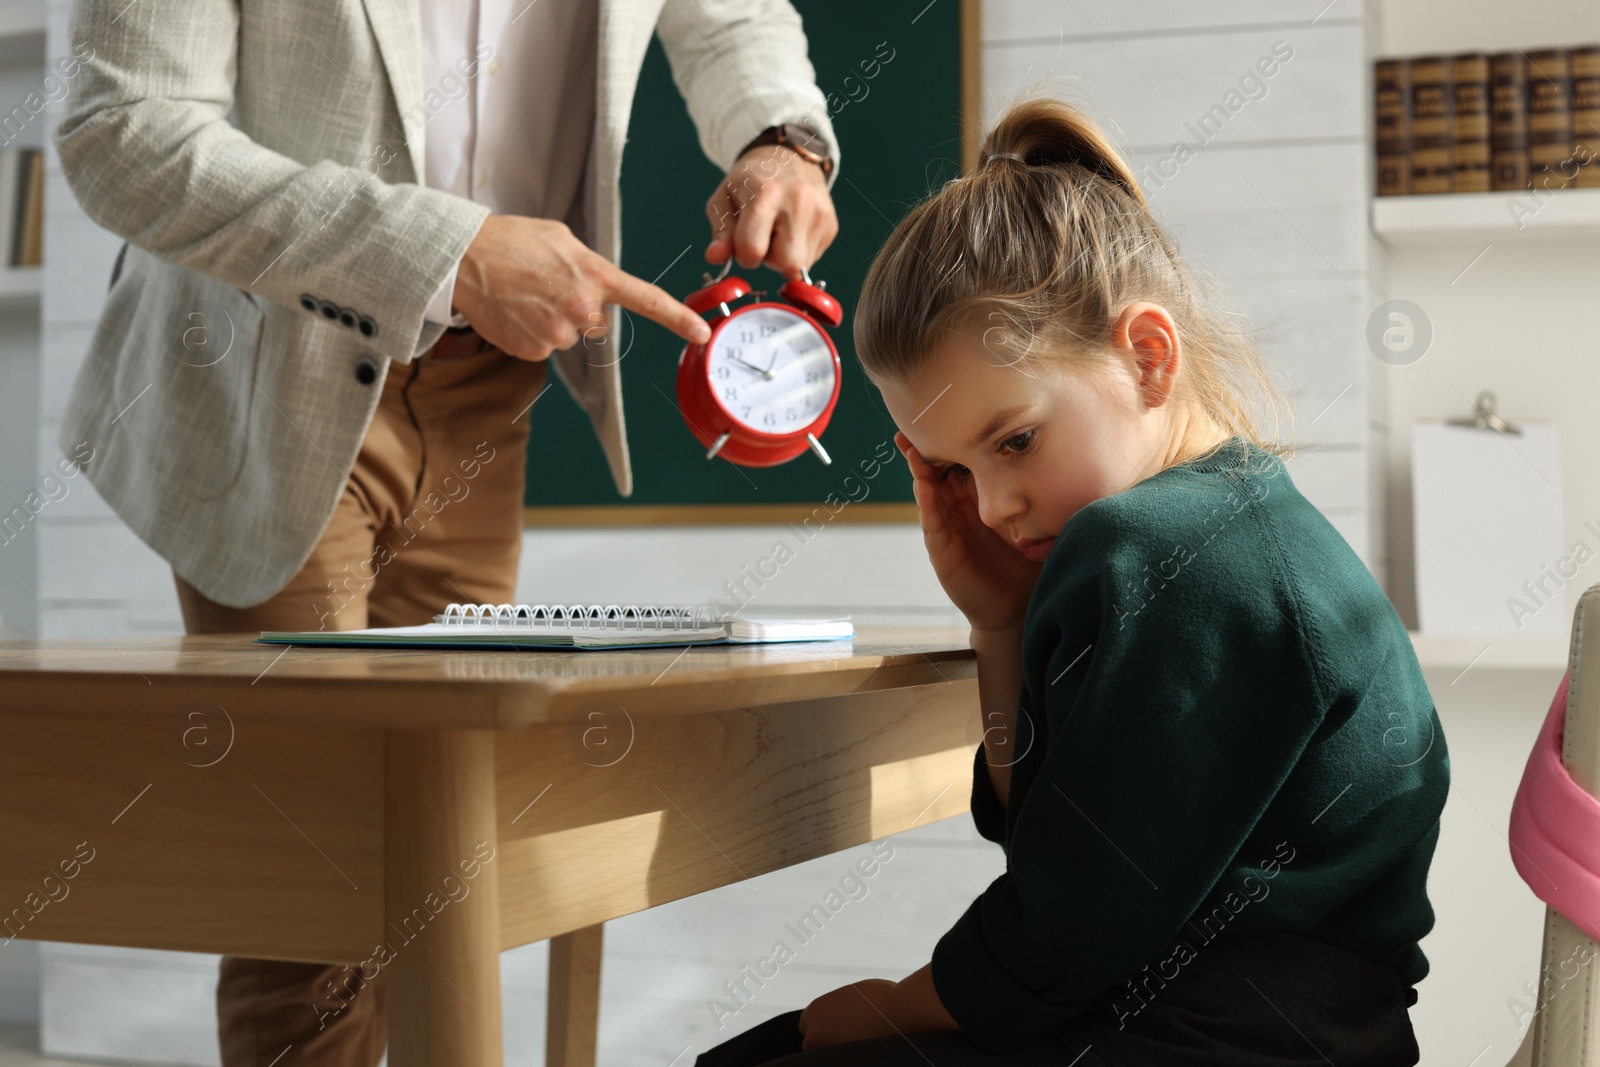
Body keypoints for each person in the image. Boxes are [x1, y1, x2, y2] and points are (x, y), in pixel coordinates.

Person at [51, 1, 840, 1064]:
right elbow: (123, 133)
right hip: (272, 374)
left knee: (448, 858)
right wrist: (444, 249)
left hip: (491, 389)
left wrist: (779, 137)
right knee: (319, 895)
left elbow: (732, 14)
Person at [695, 96, 1449, 1067]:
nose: (997, 502)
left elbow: (1070, 917)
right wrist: (999, 622)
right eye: (956, 469)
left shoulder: (1160, 549)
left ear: (1145, 354)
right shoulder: (1238, 515)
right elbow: (1053, 843)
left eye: (1014, 440)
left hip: (1218, 1034)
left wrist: (899, 1001)